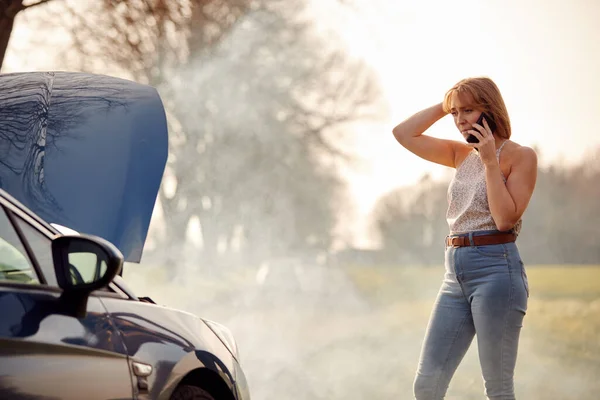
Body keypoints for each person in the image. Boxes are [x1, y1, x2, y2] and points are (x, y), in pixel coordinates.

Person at [391, 77, 537, 400]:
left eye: (468, 110)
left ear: (491, 109)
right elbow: (403, 134)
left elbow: (504, 219)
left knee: (497, 390)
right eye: (456, 113)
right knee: (427, 385)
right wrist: (445, 105)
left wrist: (489, 162)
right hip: (454, 275)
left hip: (497, 272)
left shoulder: (521, 157)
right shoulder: (459, 155)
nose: (460, 121)